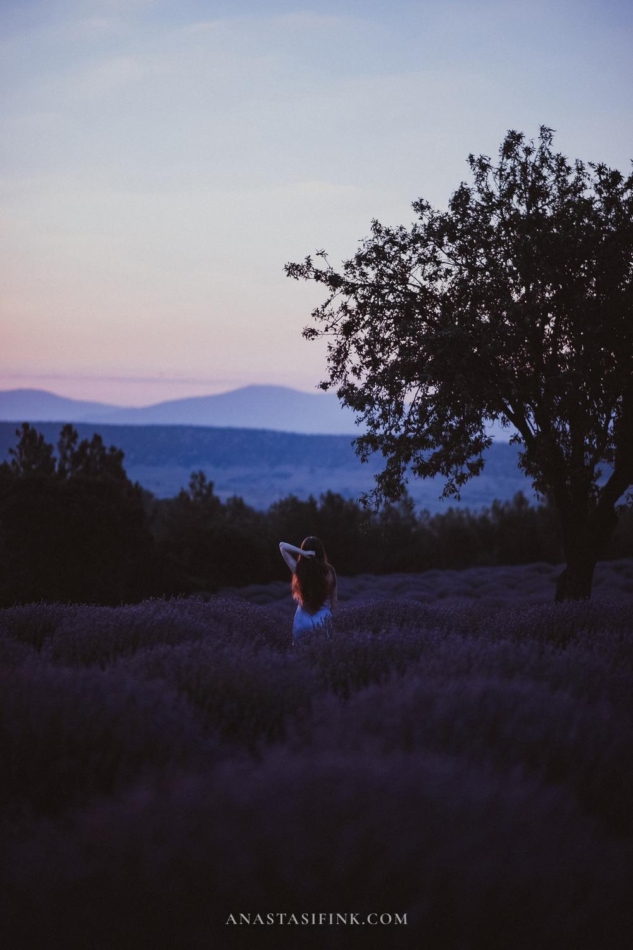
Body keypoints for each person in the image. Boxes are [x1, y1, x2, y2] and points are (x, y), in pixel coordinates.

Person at [279, 536, 337, 642]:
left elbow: (282, 546)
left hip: (302, 619)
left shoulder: (299, 570)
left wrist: (303, 552)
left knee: (299, 654)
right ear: (321, 552)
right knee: (324, 654)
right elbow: (334, 598)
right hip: (323, 618)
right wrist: (332, 619)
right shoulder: (330, 572)